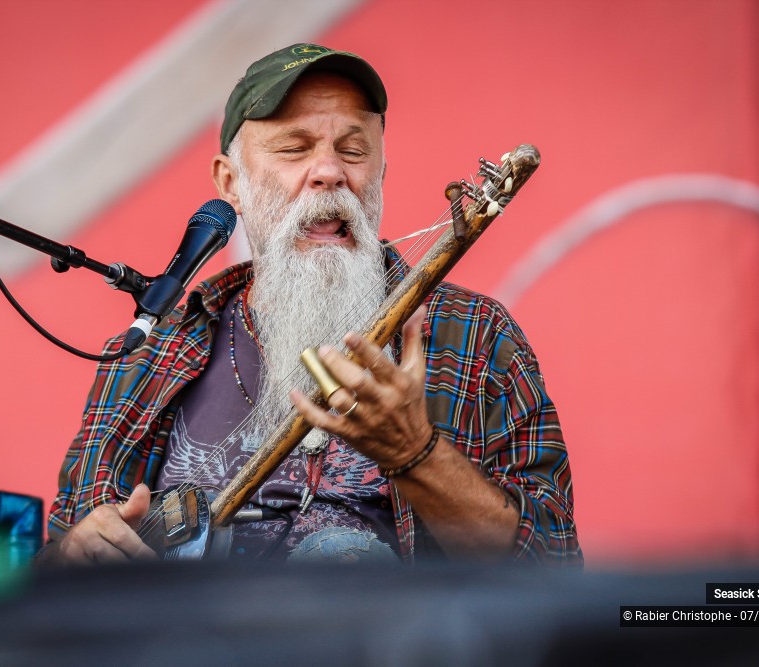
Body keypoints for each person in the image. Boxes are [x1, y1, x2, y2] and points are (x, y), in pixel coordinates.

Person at [39, 44, 582, 566]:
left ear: (381, 174)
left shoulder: (476, 336)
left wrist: (416, 453)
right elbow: (52, 576)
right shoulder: (149, 355)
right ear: (230, 182)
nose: (329, 172)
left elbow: (551, 567)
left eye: (353, 151)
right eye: (294, 149)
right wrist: (73, 558)